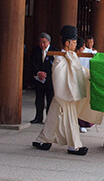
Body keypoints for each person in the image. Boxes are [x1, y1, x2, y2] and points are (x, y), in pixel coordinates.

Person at [33, 25, 89, 155]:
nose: (75, 45)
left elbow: (78, 71)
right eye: (74, 42)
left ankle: (43, 140)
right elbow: (60, 76)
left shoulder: (71, 56)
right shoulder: (59, 58)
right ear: (67, 43)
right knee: (70, 121)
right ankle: (74, 146)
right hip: (63, 93)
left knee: (53, 117)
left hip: (67, 94)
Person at [30, 32, 54, 124]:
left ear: (49, 42)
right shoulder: (36, 50)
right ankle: (38, 117)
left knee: (50, 100)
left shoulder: (54, 50)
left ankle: (49, 119)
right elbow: (33, 63)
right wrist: (38, 72)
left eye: (44, 42)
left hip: (49, 80)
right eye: (40, 42)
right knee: (39, 99)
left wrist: (46, 74)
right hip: (39, 79)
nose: (42, 44)